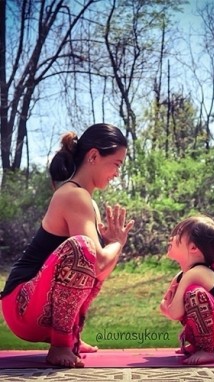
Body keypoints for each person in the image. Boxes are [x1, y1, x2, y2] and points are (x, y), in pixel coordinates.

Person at [0, 123, 134, 367]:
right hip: (20, 305)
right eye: (116, 164)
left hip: (37, 306)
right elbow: (98, 260)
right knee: (84, 248)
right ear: (93, 156)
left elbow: (98, 273)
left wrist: (111, 247)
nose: (117, 174)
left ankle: (70, 335)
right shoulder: (73, 195)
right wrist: (116, 243)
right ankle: (60, 344)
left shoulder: (88, 202)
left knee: (91, 253)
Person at [159, 215, 214, 365]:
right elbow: (166, 306)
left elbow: (173, 312)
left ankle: (206, 350)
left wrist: (168, 308)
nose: (171, 237)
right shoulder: (180, 276)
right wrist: (169, 308)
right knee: (189, 294)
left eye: (178, 234)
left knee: (195, 294)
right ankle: (198, 345)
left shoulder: (196, 273)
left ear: (193, 248)